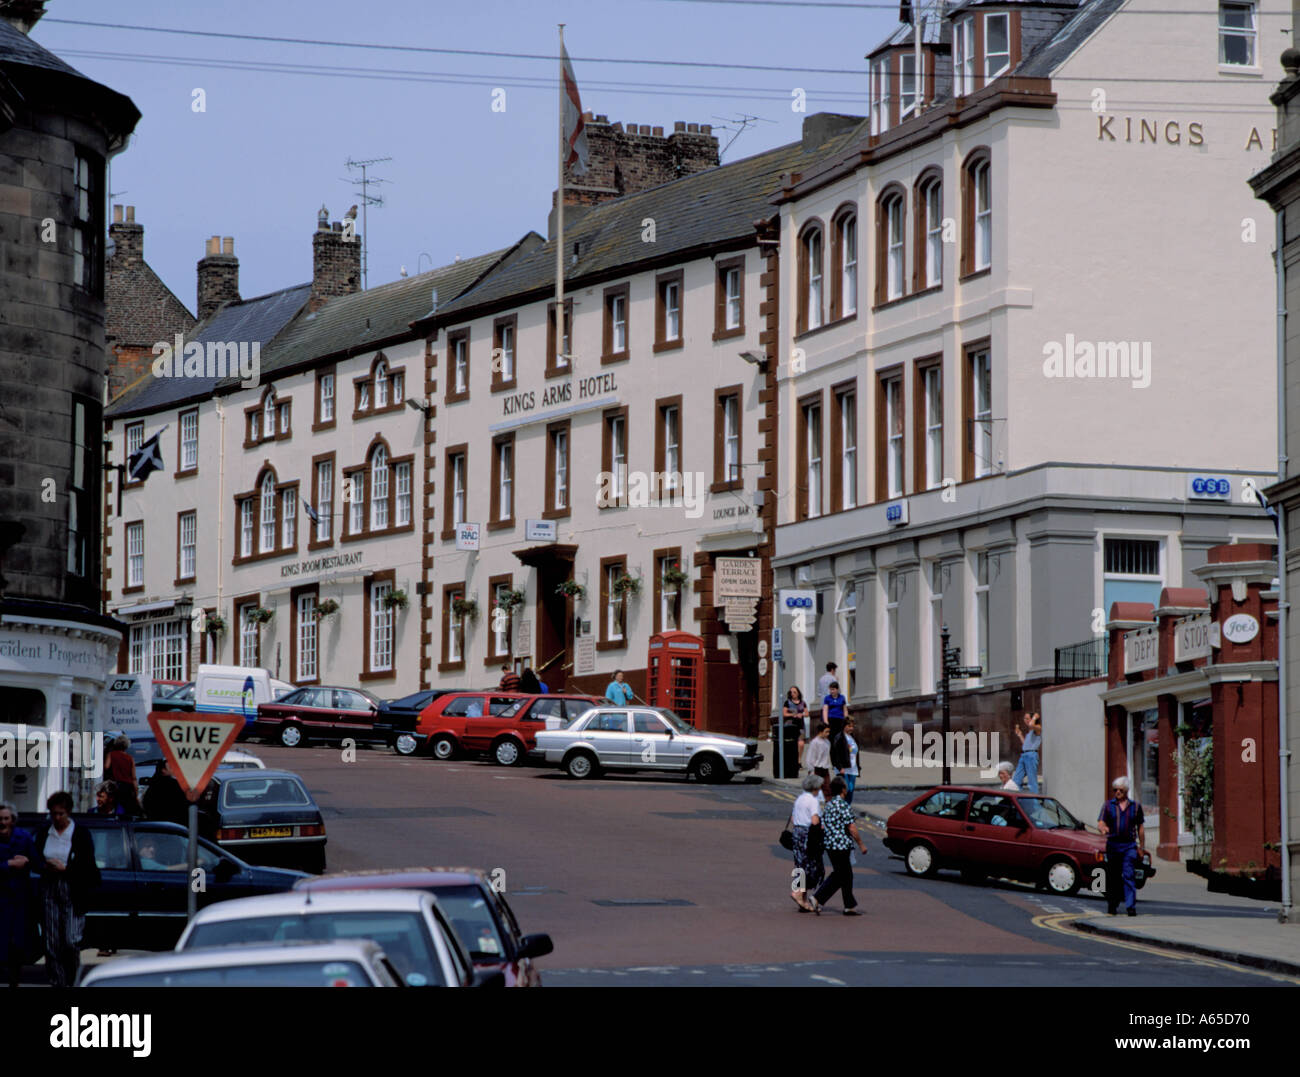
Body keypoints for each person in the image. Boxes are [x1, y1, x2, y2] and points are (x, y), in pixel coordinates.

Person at [34, 791, 100, 988]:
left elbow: (87, 864)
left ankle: (72, 980)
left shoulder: (79, 833)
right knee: (51, 942)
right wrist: (45, 866)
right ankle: (58, 981)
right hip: (50, 887)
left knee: (71, 941)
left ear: (68, 812)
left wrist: (67, 869)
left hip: (72, 888)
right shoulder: (46, 832)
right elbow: (36, 857)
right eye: (53, 813)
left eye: (61, 814)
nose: (57, 818)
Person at [808, 776, 869, 916]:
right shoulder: (843, 805)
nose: (847, 789)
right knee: (841, 875)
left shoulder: (829, 805)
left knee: (845, 875)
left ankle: (849, 906)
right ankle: (817, 898)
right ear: (842, 790)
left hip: (830, 846)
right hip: (841, 846)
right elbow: (851, 827)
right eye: (845, 786)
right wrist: (861, 844)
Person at [1098, 775, 1145, 916]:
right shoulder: (1108, 805)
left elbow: (1140, 828)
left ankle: (1131, 907)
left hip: (1129, 846)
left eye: (1120, 790)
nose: (1117, 792)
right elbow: (1101, 822)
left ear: (1126, 791)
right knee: (1113, 877)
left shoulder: (1135, 807)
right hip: (1113, 845)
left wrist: (1141, 848)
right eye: (1115, 790)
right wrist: (1103, 828)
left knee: (1129, 875)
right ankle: (1112, 905)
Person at [0, 803, 36, 988]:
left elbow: (37, 862)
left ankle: (15, 980)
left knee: (17, 944)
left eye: (6, 818)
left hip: (20, 900)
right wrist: (8, 864)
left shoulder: (24, 837)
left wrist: (27, 861)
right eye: (0, 819)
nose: (3, 822)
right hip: (1, 899)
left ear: (13, 820)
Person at [789, 774, 825, 911]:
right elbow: (815, 820)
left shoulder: (800, 798)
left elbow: (793, 818)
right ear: (815, 787)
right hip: (808, 835)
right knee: (812, 865)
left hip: (797, 833)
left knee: (800, 865)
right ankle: (797, 893)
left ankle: (802, 900)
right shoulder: (813, 800)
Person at [142, 758, 190, 827]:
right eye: (171, 767)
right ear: (163, 770)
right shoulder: (174, 785)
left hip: (155, 823)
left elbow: (146, 804)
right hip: (174, 824)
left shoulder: (152, 785)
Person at [104, 735, 140, 817]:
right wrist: (136, 792)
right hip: (128, 787)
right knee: (127, 811)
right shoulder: (130, 758)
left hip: (114, 785)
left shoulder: (111, 754)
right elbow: (133, 777)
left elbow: (106, 767)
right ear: (126, 746)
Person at [1013, 711, 1042, 793]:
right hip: (1024, 755)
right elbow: (1025, 745)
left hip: (1031, 755)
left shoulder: (1037, 728)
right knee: (1016, 779)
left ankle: (1034, 800)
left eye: (1027, 718)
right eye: (1024, 718)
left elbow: (1031, 725)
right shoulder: (1029, 732)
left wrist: (1035, 717)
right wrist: (1020, 735)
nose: (1025, 720)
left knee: (1032, 780)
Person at [837, 718, 860, 804]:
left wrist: (858, 766)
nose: (851, 728)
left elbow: (856, 753)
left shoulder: (853, 737)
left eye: (852, 726)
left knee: (851, 790)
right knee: (845, 790)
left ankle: (848, 808)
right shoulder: (840, 737)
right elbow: (835, 754)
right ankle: (841, 807)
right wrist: (839, 767)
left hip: (853, 768)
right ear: (844, 726)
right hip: (844, 768)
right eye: (849, 726)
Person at [802, 722, 832, 786]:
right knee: (815, 789)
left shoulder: (827, 742)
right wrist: (812, 771)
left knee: (827, 789)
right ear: (820, 732)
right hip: (816, 769)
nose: (828, 734)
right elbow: (810, 758)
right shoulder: (815, 742)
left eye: (829, 732)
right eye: (826, 732)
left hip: (825, 769)